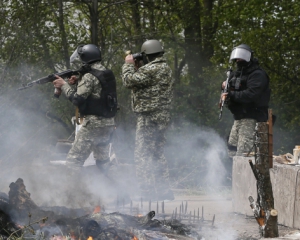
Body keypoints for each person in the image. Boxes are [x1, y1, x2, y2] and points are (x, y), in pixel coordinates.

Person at [122, 39, 174, 201]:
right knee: (157, 153)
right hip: (162, 115)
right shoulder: (164, 68)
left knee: (143, 154)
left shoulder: (151, 68)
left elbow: (128, 81)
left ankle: (147, 192)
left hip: (148, 116)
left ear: (147, 55)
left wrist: (128, 64)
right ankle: (164, 191)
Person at [52, 44, 117, 171]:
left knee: (73, 161)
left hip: (93, 125)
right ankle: (121, 188)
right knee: (103, 162)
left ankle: (74, 190)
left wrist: (64, 85)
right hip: (108, 123)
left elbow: (77, 99)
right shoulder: (107, 73)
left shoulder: (89, 76)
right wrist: (78, 80)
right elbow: (96, 92)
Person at [221, 44, 271, 157]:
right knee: (232, 148)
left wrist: (231, 94)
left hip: (252, 116)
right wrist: (224, 87)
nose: (238, 60)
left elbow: (251, 94)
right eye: (237, 57)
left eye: (241, 57)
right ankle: (233, 173)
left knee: (244, 152)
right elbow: (230, 88)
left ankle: (245, 174)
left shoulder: (257, 74)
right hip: (239, 117)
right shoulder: (237, 74)